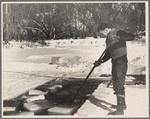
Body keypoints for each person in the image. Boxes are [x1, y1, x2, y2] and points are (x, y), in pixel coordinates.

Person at [94, 23, 135, 115]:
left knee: (118, 83)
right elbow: (108, 54)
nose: (103, 34)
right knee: (117, 83)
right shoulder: (108, 38)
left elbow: (131, 37)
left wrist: (119, 38)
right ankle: (122, 105)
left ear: (106, 29)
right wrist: (100, 61)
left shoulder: (117, 32)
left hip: (121, 61)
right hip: (115, 61)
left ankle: (120, 110)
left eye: (102, 32)